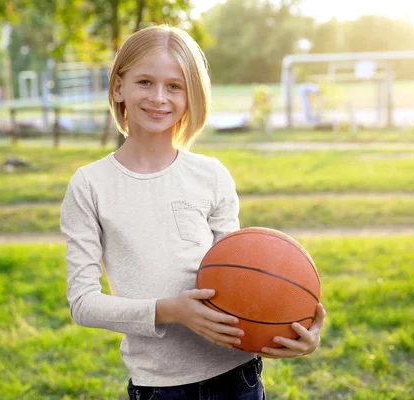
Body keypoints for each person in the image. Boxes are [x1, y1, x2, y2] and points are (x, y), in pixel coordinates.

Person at [60, 25, 326, 399]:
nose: (158, 97)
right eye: (145, 82)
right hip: (160, 386)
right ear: (118, 87)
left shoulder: (210, 175)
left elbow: (240, 279)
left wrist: (292, 328)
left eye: (174, 86)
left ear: (191, 96)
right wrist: (171, 310)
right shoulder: (90, 185)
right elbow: (84, 304)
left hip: (237, 376)